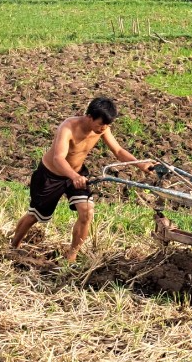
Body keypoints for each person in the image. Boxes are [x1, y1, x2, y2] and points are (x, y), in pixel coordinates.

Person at [10, 96, 151, 262]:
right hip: (50, 175)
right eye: (100, 124)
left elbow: (118, 151)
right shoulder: (68, 128)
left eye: (107, 125)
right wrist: (74, 176)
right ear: (89, 116)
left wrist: (141, 165)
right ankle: (13, 246)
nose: (103, 128)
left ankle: (71, 256)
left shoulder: (103, 129)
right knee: (35, 216)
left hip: (77, 175)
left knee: (87, 212)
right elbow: (58, 158)